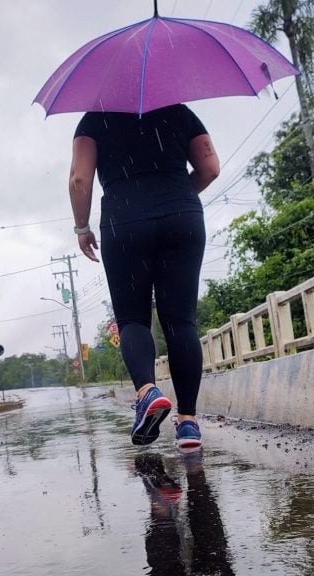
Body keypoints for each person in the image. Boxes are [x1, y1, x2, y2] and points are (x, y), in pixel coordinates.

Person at [68, 103, 220, 451]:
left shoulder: (94, 120)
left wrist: (81, 227)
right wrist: (175, 197)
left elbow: (79, 179)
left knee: (133, 318)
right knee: (182, 322)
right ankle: (189, 424)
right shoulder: (180, 112)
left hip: (124, 222)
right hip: (182, 216)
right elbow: (210, 168)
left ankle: (147, 392)